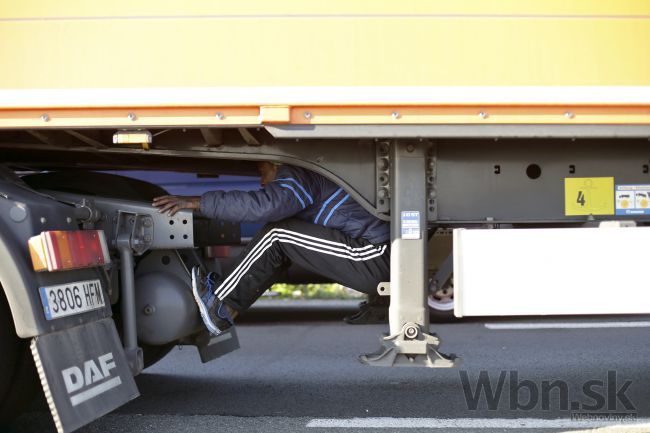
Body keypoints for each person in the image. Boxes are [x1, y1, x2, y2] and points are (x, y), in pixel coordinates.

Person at [152, 162, 390, 335]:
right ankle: (225, 311)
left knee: (278, 234)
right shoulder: (311, 177)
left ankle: (221, 307)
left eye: (262, 171)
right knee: (282, 239)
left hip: (375, 254)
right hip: (375, 253)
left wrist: (198, 203)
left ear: (276, 163)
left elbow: (265, 206)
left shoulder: (298, 175)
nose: (262, 180)